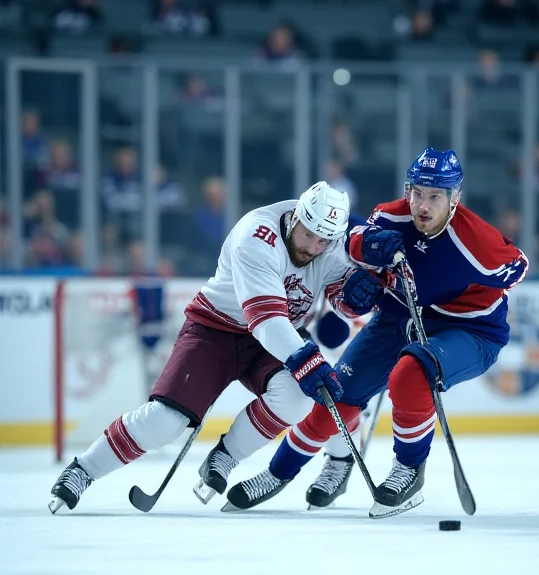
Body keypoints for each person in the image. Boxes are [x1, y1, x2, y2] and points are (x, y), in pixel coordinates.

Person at [227, 147, 529, 518]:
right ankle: (277, 473)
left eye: (435, 195)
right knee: (333, 396)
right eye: (417, 192)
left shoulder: (476, 242)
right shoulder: (390, 216)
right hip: (396, 321)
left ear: (455, 198)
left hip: (468, 330)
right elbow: (352, 240)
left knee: (411, 373)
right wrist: (367, 256)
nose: (422, 204)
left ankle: (408, 468)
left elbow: (517, 268)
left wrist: (459, 295)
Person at [49, 182, 384, 514]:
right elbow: (265, 320)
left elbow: (341, 301)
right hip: (215, 330)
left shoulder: (333, 244)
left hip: (279, 336)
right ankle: (83, 470)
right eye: (307, 234)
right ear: (296, 215)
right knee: (165, 422)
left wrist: (355, 298)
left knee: (297, 398)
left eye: (322, 240)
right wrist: (306, 359)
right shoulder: (256, 235)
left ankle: (226, 456)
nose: (312, 246)